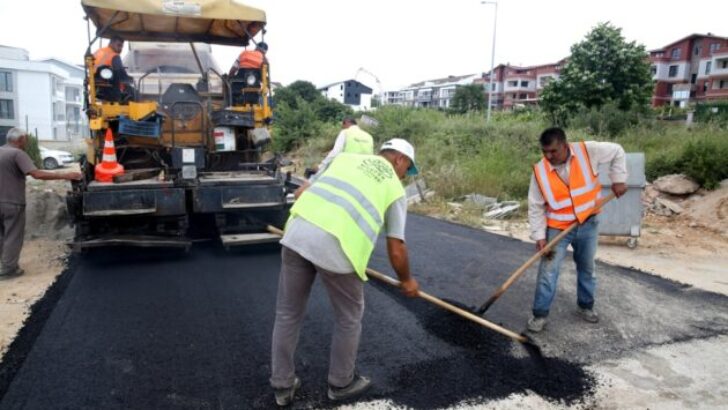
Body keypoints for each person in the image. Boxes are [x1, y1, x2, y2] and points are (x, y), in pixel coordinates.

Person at [270, 138, 420, 406]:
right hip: (337, 248)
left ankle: (282, 385)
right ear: (399, 159)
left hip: (296, 235)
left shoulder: (345, 159)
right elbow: (396, 248)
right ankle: (340, 384)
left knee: (287, 313)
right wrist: (407, 280)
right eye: (407, 169)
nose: (405, 175)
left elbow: (302, 194)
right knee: (349, 318)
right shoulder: (395, 190)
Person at [526, 127, 627, 332]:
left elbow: (617, 150)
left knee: (587, 268)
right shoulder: (540, 171)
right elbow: (535, 205)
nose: (548, 156)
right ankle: (540, 315)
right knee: (547, 272)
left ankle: (585, 306)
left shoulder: (588, 151)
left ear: (565, 145)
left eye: (553, 151)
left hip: (588, 223)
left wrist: (619, 179)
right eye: (545, 151)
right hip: (557, 228)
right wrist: (539, 235)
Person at [0, 128, 82, 280]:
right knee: (12, 235)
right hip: (11, 202)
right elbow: (37, 174)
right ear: (20, 140)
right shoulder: (17, 154)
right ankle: (8, 270)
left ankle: (3, 264)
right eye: (25, 139)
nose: (26, 142)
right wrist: (66, 175)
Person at [93, 35, 132, 100]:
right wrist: (131, 79)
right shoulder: (114, 56)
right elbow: (122, 75)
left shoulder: (98, 51)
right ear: (111, 43)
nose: (120, 49)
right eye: (118, 45)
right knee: (132, 92)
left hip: (96, 88)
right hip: (109, 90)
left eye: (122, 47)